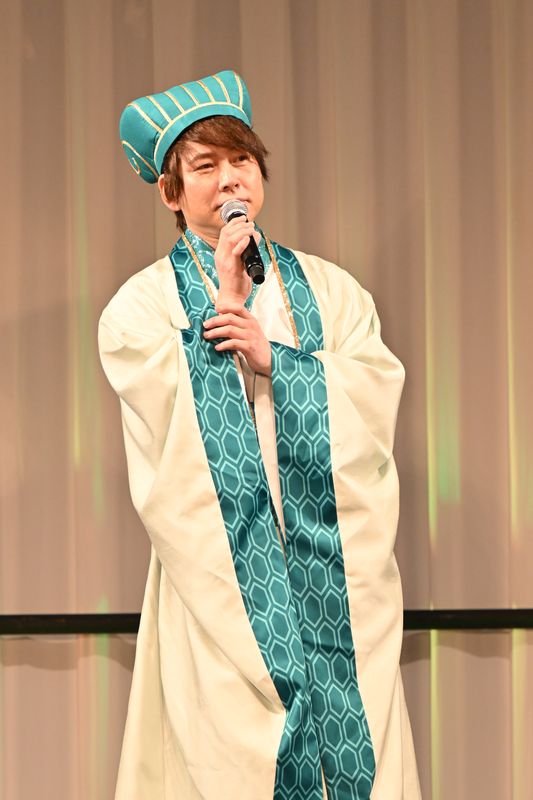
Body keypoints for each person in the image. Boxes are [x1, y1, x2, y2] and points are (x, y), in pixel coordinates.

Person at [99, 70, 421, 800]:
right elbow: (168, 437)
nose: (229, 180)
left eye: (241, 159)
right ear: (171, 193)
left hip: (335, 573)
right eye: (204, 166)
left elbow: (374, 394)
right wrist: (225, 301)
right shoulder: (140, 309)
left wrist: (279, 364)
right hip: (221, 585)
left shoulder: (333, 292)